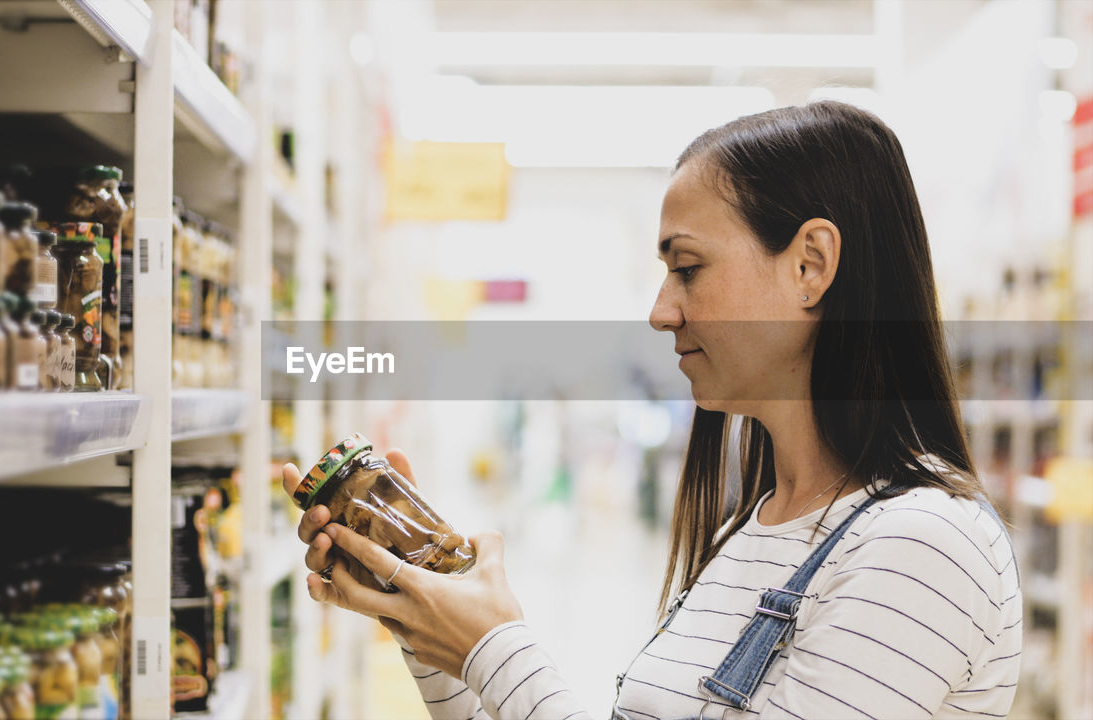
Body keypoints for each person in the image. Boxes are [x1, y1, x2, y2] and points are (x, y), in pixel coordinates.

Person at [281, 101, 1022, 719]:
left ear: (810, 265)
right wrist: (420, 613)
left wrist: (496, 646)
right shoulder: (757, 525)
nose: (662, 312)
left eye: (687, 269)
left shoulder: (923, 545)